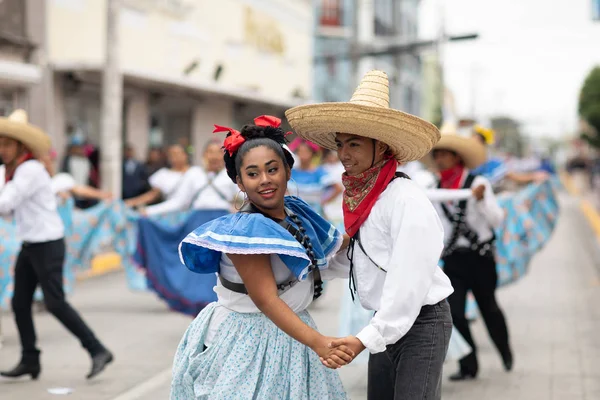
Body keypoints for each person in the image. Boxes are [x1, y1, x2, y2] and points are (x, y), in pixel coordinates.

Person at [286, 70, 453, 400]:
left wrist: (364, 339)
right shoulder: (365, 197)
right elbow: (357, 260)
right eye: (340, 144)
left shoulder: (406, 199)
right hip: (387, 320)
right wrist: (292, 276)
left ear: (384, 147)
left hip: (421, 322)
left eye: (355, 144)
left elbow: (408, 283)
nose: (344, 154)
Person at [170, 115, 352, 399]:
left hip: (294, 335)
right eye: (253, 174)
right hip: (249, 341)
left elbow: (338, 244)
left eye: (272, 169)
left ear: (287, 171)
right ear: (239, 182)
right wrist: (319, 342)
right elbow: (266, 299)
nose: (265, 180)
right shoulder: (244, 231)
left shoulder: (296, 211)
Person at [0, 110, 113, 380]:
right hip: (31, 243)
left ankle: (97, 349)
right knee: (19, 303)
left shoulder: (30, 169)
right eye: (0, 144)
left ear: (20, 146)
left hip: (47, 244)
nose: (2, 149)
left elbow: (5, 205)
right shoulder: (9, 171)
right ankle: (30, 360)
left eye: (7, 144)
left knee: (55, 302)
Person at [426, 124, 512, 381]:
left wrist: (482, 201)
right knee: (455, 313)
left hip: (481, 258)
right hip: (453, 259)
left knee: (489, 308)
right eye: (436, 154)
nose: (439, 159)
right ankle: (469, 365)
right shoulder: (434, 188)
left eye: (444, 154)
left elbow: (497, 220)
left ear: (457, 157)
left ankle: (505, 350)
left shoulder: (478, 183)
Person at [140, 139, 237, 216]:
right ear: (204, 155)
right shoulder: (193, 173)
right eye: (210, 152)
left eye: (219, 152)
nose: (214, 156)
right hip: (197, 222)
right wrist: (150, 211)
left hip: (224, 220)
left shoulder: (231, 174)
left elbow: (244, 199)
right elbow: (179, 202)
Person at [124, 144, 193, 209]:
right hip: (172, 215)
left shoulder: (195, 172)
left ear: (185, 155)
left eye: (177, 154)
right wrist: (131, 202)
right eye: (171, 155)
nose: (174, 157)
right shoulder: (163, 174)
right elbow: (152, 195)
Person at [288, 138, 342, 216]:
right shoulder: (292, 172)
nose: (303, 155)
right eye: (300, 151)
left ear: (312, 153)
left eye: (306, 151)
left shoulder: (319, 172)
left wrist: (322, 202)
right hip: (295, 213)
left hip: (314, 214)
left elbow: (338, 189)